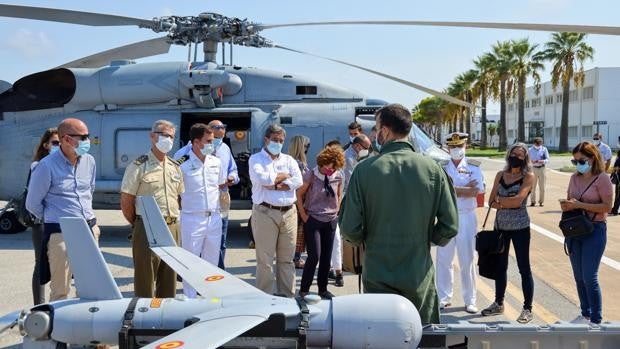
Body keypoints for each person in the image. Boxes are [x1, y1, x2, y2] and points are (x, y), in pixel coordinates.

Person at [339, 104, 459, 324]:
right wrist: (426, 240)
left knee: (380, 335)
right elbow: (450, 225)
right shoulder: (433, 169)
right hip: (418, 275)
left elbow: (349, 229)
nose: (374, 135)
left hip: (377, 273)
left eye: (376, 129)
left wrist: (361, 240)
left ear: (385, 130)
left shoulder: (364, 170)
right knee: (422, 336)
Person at [26, 118, 98, 301]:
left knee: (91, 286)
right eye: (83, 137)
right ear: (66, 139)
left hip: (89, 229)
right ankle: (59, 329)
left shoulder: (89, 161)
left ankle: (86, 327)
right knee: (60, 290)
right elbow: (32, 203)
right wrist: (55, 218)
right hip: (60, 232)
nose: (87, 141)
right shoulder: (46, 166)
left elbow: (89, 192)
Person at [120, 120, 184, 298]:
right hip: (148, 227)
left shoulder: (174, 167)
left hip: (172, 226)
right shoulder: (139, 165)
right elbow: (126, 200)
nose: (168, 139)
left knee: (169, 276)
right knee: (145, 279)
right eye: (164, 135)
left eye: (171, 136)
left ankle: (165, 317)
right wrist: (139, 223)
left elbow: (179, 197)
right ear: (152, 136)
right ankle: (144, 318)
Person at [561, 142, 613, 325]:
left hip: (595, 230)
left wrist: (579, 205)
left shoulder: (603, 179)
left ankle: (596, 319)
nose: (577, 165)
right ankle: (585, 314)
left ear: (592, 158)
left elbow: (608, 207)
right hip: (575, 230)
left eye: (580, 161)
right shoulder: (574, 178)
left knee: (589, 276)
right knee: (578, 276)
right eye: (574, 162)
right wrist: (567, 204)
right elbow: (570, 199)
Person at [483, 143, 535, 324]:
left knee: (524, 268)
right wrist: (508, 202)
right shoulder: (500, 175)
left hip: (521, 227)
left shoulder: (528, 176)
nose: (516, 157)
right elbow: (490, 201)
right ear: (508, 155)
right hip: (501, 227)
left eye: (521, 155)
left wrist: (502, 202)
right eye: (514, 154)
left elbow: (519, 201)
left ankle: (527, 308)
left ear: (525, 158)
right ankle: (498, 303)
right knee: (500, 267)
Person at [249, 124, 303, 297]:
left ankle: (287, 296)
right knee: (265, 260)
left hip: (289, 213)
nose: (278, 143)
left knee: (287, 260)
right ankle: (264, 298)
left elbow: (298, 181)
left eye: (281, 140)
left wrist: (277, 184)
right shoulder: (256, 159)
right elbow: (263, 179)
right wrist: (282, 178)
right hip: (265, 212)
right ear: (266, 140)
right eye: (274, 140)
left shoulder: (289, 160)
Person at [436, 132, 484, 314]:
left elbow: (476, 191)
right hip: (446, 216)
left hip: (466, 216)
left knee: (468, 259)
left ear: (466, 147)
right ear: (448, 148)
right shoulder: (441, 167)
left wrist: (452, 189)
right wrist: (464, 189)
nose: (456, 150)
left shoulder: (474, 166)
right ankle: (443, 297)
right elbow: (439, 191)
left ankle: (470, 299)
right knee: (443, 259)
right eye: (453, 147)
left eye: (460, 146)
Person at [177, 124, 226, 298]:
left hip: (214, 218)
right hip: (192, 218)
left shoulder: (216, 162)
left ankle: (210, 298)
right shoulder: (181, 164)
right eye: (209, 141)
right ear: (196, 142)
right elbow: (176, 193)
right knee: (190, 263)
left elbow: (219, 186)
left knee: (211, 263)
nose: (212, 145)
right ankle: (190, 300)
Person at [296, 146, 345, 299]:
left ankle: (322, 289)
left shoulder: (338, 176)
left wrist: (336, 213)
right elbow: (298, 195)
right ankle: (304, 289)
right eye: (324, 166)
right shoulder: (311, 174)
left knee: (326, 256)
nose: (327, 169)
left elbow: (339, 195)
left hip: (330, 220)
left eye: (331, 167)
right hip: (313, 219)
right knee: (314, 256)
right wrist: (304, 215)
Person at [28, 128, 59, 305]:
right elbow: (33, 200)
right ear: (46, 145)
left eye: (61, 142)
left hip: (58, 222)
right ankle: (38, 305)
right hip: (42, 221)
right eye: (54, 143)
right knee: (40, 264)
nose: (58, 145)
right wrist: (44, 217)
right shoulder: (38, 166)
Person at [207, 120, 239, 270]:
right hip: (204, 199)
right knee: (205, 241)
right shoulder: (195, 148)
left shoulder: (225, 148)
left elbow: (233, 169)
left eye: (224, 127)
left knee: (221, 239)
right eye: (219, 127)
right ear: (210, 130)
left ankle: (219, 273)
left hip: (222, 198)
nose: (223, 130)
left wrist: (232, 178)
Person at [288, 135, 311, 269]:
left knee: (296, 231)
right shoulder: (298, 164)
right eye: (306, 146)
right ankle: (295, 258)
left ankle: (295, 257)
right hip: (298, 201)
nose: (308, 148)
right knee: (298, 232)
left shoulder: (294, 161)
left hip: (296, 200)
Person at [528, 137, 550, 207]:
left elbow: (548, 159)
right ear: (534, 143)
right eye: (537, 144)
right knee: (532, 186)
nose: (538, 145)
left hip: (542, 169)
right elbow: (527, 160)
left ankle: (541, 201)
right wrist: (531, 161)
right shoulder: (530, 150)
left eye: (540, 143)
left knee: (542, 187)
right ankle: (532, 201)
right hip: (533, 168)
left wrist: (542, 161)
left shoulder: (544, 149)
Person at [611, 150, 620, 216]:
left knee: (618, 196)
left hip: (619, 180)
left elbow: (615, 168)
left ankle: (615, 210)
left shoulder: (618, 160)